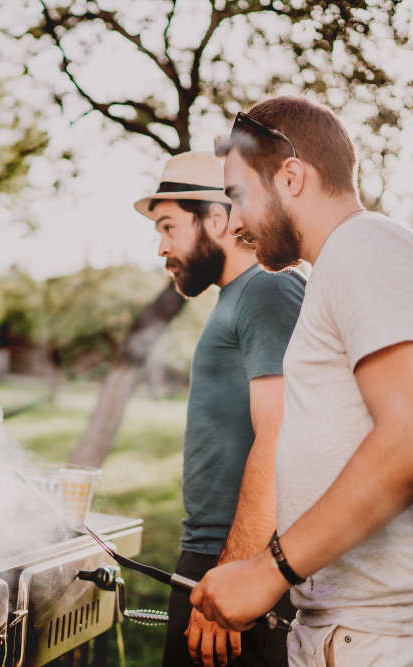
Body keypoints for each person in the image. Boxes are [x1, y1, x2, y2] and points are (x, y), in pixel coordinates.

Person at [190, 96, 413, 666]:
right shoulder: (337, 267)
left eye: (237, 197)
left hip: (397, 641)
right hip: (358, 634)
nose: (233, 223)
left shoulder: (366, 246)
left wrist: (270, 570)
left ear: (292, 175)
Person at [134, 151, 304, 667]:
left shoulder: (268, 289)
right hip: (212, 561)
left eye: (169, 226)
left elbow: (280, 439)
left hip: (236, 566)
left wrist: (235, 577)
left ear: (219, 217)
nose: (162, 247)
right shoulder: (234, 298)